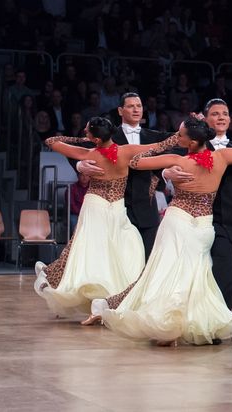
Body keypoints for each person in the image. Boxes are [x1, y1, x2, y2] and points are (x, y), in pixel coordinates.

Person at [94, 117, 232, 346]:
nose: (178, 138)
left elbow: (135, 162)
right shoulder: (222, 157)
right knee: (195, 276)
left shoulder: (178, 159)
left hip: (178, 222)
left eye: (181, 135)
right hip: (203, 227)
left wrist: (167, 167)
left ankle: (166, 324)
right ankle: (180, 324)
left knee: (167, 273)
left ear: (193, 142)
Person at [34, 117, 159, 321]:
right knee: (103, 250)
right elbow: (158, 146)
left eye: (87, 130)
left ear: (95, 137)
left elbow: (51, 141)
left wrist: (84, 139)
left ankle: (106, 299)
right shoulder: (119, 151)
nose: (84, 131)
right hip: (105, 206)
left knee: (106, 250)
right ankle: (102, 299)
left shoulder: (92, 152)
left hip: (108, 206)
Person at [162, 99, 232, 313]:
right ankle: (217, 323)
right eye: (215, 114)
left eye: (225, 113)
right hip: (214, 221)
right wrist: (166, 173)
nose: (221, 117)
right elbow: (166, 161)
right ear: (205, 119)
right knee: (222, 277)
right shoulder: (194, 145)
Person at [74, 93, 173, 257]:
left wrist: (163, 172)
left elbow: (181, 142)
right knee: (121, 260)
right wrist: (80, 165)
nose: (136, 109)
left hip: (147, 210)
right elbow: (75, 146)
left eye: (139, 106)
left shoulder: (154, 137)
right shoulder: (109, 136)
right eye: (130, 106)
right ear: (120, 110)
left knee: (147, 260)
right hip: (118, 208)